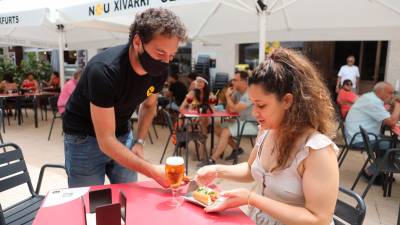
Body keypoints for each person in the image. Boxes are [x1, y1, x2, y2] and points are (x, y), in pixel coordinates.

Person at [196, 48, 339, 225]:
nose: (255, 112)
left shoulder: (317, 150)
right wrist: (217, 170)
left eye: (261, 106)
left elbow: (319, 219)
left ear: (287, 101)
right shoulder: (267, 131)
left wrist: (252, 199)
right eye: (253, 104)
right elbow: (251, 170)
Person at [62, 8, 187, 188]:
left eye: (171, 55)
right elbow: (106, 141)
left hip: (122, 132)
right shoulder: (104, 71)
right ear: (137, 41)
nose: (166, 61)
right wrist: (152, 171)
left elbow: (149, 105)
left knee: (130, 196)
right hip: (83, 137)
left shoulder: (159, 71)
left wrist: (139, 141)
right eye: (160, 53)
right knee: (90, 199)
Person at [198, 71, 257, 166]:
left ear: (244, 81)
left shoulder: (249, 94)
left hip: (251, 124)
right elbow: (229, 110)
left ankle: (212, 160)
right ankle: (237, 149)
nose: (233, 82)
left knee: (226, 131)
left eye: (235, 80)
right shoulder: (237, 93)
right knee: (217, 128)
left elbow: (234, 108)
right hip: (240, 121)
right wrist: (230, 99)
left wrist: (227, 97)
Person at [180, 75, 210, 159]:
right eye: (198, 81)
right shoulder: (192, 93)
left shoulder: (209, 94)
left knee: (203, 121)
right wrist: (190, 108)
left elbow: (212, 107)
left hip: (204, 118)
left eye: (201, 81)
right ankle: (200, 151)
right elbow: (181, 108)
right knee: (196, 125)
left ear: (205, 83)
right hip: (191, 118)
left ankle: (201, 152)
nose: (199, 83)